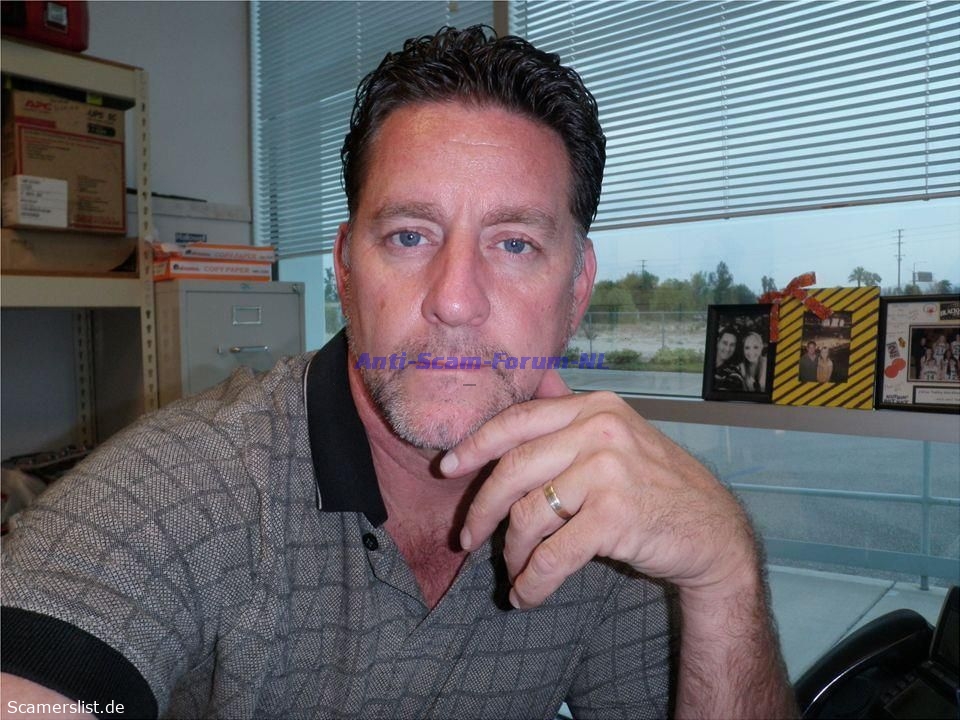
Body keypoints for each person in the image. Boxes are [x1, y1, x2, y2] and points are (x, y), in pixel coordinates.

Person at [1, 26, 796, 720]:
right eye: (411, 236)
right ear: (346, 269)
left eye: (514, 244)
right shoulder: (192, 490)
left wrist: (725, 572)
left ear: (577, 291)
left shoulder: (600, 516)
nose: (455, 301)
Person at [713, 326, 746, 391]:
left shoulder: (734, 374)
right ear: (718, 342)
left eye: (732, 345)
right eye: (725, 343)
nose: (728, 349)